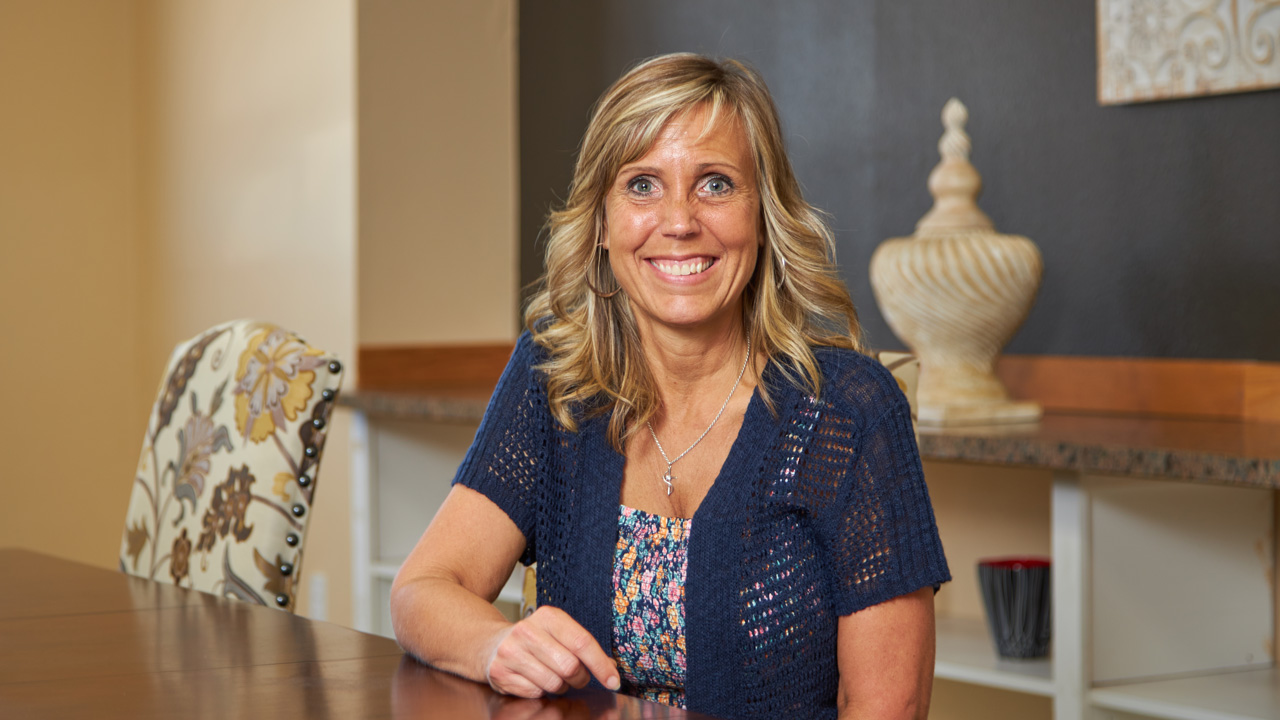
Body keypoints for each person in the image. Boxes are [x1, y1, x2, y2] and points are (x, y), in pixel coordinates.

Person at [390, 52, 950, 720]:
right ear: (601, 222)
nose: (679, 220)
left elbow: (888, 706)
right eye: (643, 185)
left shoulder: (848, 411)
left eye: (715, 184)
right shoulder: (556, 380)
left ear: (764, 215)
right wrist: (496, 646)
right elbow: (424, 587)